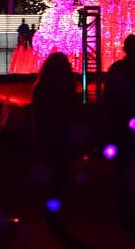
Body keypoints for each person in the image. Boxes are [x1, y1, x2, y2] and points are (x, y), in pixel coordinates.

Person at [103, 34, 135, 229]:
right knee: (133, 165)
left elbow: (108, 98)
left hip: (119, 126)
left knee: (122, 167)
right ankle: (130, 207)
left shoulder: (116, 70)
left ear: (125, 49)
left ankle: (122, 206)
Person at [31, 53, 80, 225]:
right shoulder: (67, 87)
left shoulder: (40, 88)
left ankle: (50, 208)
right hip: (62, 136)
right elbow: (73, 112)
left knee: (50, 172)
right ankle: (55, 208)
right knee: (60, 173)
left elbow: (38, 113)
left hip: (47, 135)